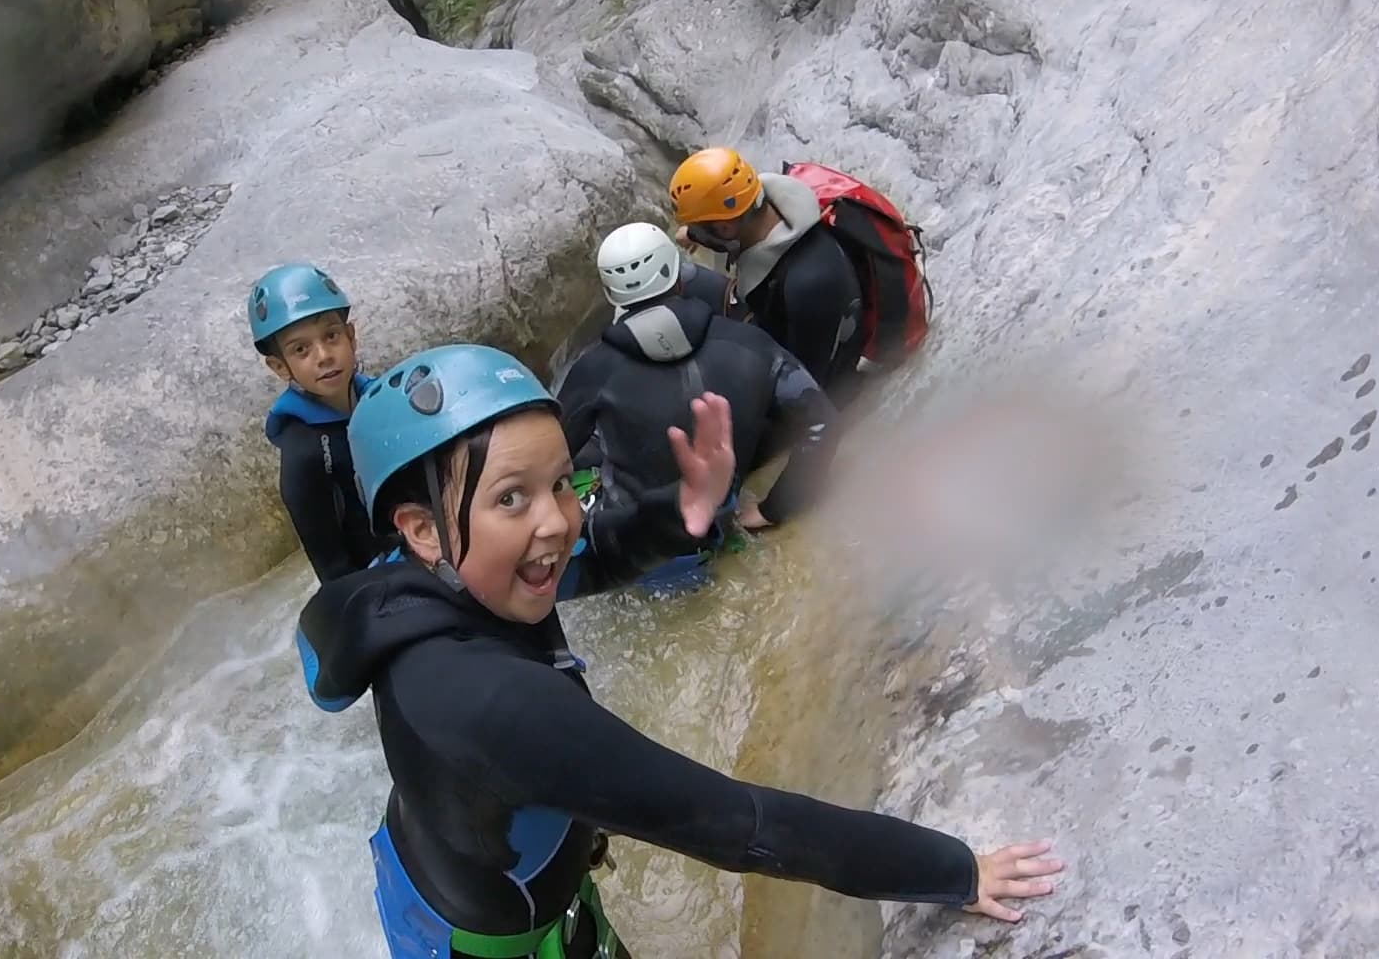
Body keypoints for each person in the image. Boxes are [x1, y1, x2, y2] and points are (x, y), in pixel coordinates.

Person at [295, 343, 1062, 959]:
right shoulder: (496, 708)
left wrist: (678, 515)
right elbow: (739, 824)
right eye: (511, 497)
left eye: (563, 483)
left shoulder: (412, 585)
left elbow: (576, 561)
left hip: (450, 875)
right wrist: (954, 871)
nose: (557, 521)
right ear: (420, 525)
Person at [560, 222, 838, 537]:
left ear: (611, 293)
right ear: (678, 277)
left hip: (633, 544)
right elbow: (823, 423)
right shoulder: (753, 344)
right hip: (717, 521)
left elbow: (548, 456)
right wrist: (773, 509)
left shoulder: (593, 371)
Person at [669, 146, 866, 400]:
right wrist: (696, 234)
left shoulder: (809, 284)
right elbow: (725, 230)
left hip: (819, 382)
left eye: (698, 228)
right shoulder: (763, 204)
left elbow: (805, 387)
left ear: (726, 229)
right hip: (781, 323)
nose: (692, 232)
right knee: (681, 277)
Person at [249, 262, 391, 584]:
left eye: (331, 335)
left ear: (351, 337)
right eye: (301, 350)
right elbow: (330, 566)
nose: (324, 355)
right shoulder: (305, 452)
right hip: (372, 578)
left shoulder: (380, 398)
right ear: (280, 367)